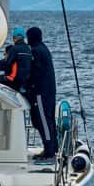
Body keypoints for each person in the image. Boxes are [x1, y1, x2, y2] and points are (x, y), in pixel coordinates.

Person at [0, 26, 33, 120]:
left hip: (12, 81)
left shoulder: (15, 49)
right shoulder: (28, 50)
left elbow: (6, 64)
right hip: (22, 84)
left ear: (14, 38)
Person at [26, 26, 58, 159]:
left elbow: (35, 72)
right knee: (48, 120)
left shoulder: (35, 51)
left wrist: (28, 85)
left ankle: (49, 151)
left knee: (42, 120)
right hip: (49, 91)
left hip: (40, 92)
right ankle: (53, 146)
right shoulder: (44, 48)